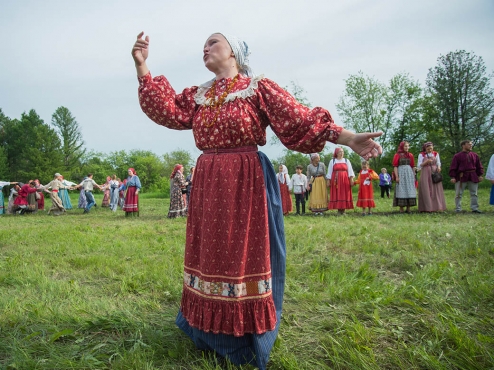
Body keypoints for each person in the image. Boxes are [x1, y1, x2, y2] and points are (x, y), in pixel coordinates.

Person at [132, 31, 381, 369]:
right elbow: (168, 110)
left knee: (241, 254)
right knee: (211, 254)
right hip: (208, 181)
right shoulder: (199, 95)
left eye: (214, 42)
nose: (205, 47)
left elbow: (300, 121)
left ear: (233, 53)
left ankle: (242, 337)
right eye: (203, 44)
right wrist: (142, 66)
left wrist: (349, 138)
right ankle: (206, 330)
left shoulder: (257, 88)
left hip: (244, 180)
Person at [449, 140, 484, 213]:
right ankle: (458, 209)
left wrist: (480, 175)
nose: (471, 145)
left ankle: (474, 208)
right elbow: (453, 167)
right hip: (461, 175)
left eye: (471, 144)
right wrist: (453, 177)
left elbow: (479, 166)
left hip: (473, 175)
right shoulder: (457, 156)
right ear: (463, 145)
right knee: (459, 193)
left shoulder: (475, 155)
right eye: (469, 144)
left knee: (474, 193)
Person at [417, 142, 446, 212]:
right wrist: (426, 162)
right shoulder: (421, 155)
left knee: (436, 189)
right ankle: (427, 207)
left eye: (431, 148)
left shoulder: (436, 154)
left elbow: (438, 162)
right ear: (425, 148)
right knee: (426, 189)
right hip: (425, 173)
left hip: (434, 172)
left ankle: (437, 206)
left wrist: (439, 167)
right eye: (428, 149)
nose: (430, 150)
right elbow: (419, 165)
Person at [327, 147, 354, 214]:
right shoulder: (333, 161)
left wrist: (351, 179)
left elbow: (350, 171)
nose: (341, 153)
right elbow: (329, 172)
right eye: (340, 152)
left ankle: (343, 209)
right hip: (336, 180)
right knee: (337, 193)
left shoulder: (346, 160)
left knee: (344, 193)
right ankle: (339, 210)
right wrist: (328, 181)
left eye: (342, 151)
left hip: (345, 179)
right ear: (336, 153)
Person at [393, 141, 417, 213]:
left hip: (409, 174)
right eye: (405, 146)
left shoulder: (410, 155)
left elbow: (413, 166)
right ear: (402, 147)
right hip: (401, 173)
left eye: (408, 146)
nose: (407, 147)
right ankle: (401, 208)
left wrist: (414, 175)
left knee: (409, 189)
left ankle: (408, 208)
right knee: (401, 189)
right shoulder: (397, 155)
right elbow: (395, 166)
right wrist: (397, 176)